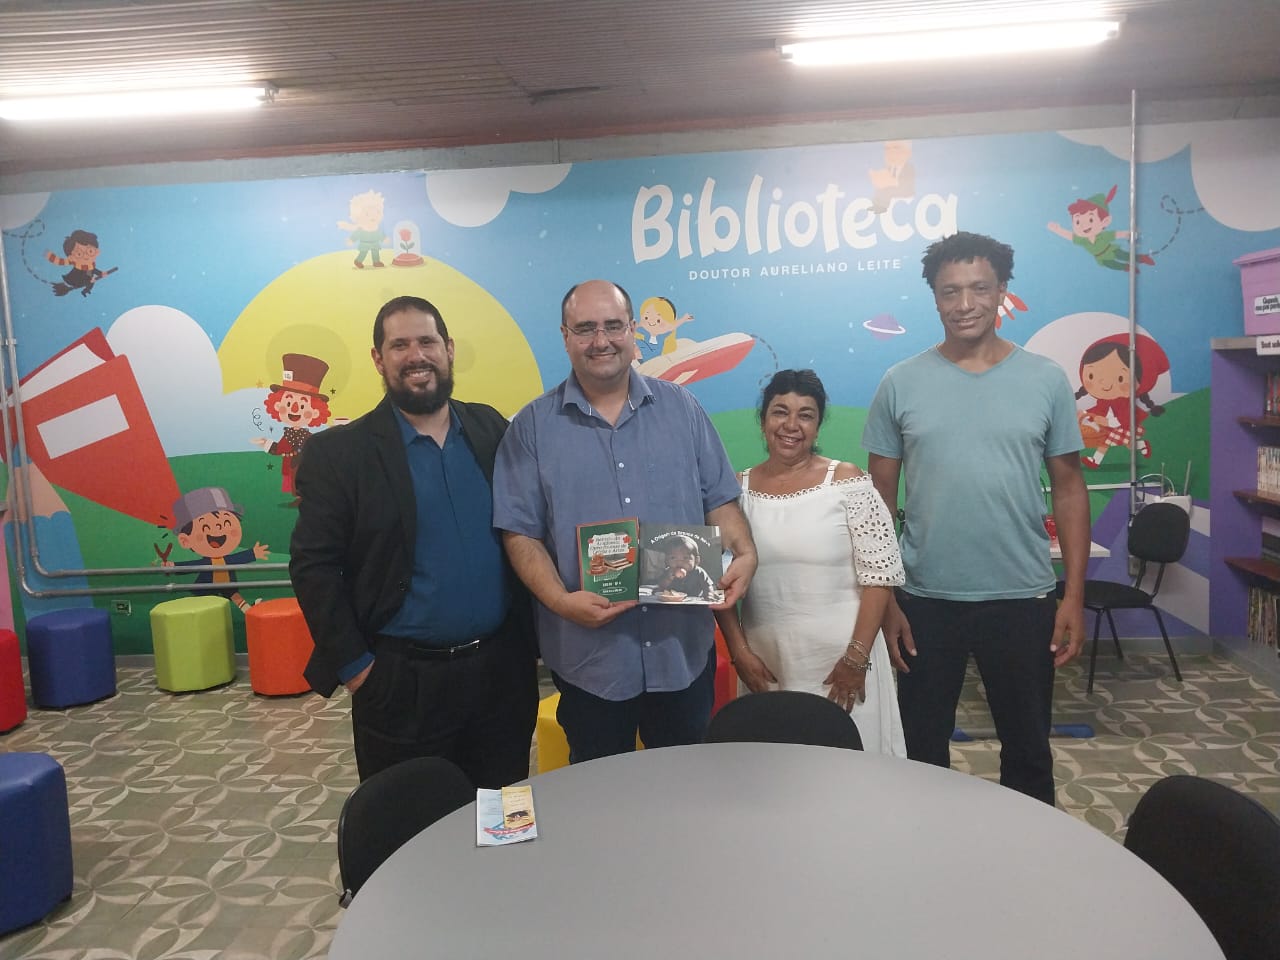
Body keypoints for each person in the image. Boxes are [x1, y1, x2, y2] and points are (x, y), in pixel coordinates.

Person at [862, 231, 1090, 804]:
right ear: (935, 298)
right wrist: (886, 599)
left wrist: (1073, 596)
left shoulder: (1044, 380)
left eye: (979, 289)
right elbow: (877, 504)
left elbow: (1068, 488)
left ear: (1002, 293)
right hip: (923, 602)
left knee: (1029, 753)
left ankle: (1026, 867)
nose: (965, 304)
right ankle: (927, 862)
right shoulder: (901, 382)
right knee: (920, 752)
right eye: (950, 291)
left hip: (1023, 597)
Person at [493, 279, 756, 763]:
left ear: (633, 330)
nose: (601, 340)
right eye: (586, 328)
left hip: (681, 653)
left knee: (683, 792)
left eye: (614, 326)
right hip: (589, 660)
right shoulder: (530, 428)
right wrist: (559, 601)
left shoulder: (684, 409)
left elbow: (719, 499)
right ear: (565, 335)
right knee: (601, 801)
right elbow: (519, 531)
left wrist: (744, 552)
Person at [290, 294, 538, 786]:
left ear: (447, 349)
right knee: (409, 829)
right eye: (398, 345)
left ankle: (497, 867)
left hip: (501, 676)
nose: (415, 355)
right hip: (400, 685)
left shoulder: (491, 429)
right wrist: (359, 669)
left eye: (427, 341)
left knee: (503, 818)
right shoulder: (340, 454)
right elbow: (312, 567)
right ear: (378, 359)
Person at [713, 369, 907, 756]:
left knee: (851, 775)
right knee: (775, 778)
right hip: (767, 664)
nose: (791, 425)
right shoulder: (737, 491)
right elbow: (719, 581)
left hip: (843, 664)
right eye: (779, 412)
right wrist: (740, 653)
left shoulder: (847, 481)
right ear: (763, 420)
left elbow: (879, 577)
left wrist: (856, 658)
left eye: (806, 414)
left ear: (818, 426)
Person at [647, 535, 718, 601]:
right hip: (673, 598)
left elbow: (707, 585)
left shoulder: (699, 572)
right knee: (657, 591)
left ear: (696, 560)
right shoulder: (668, 571)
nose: (679, 562)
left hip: (693, 598)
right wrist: (668, 579)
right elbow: (662, 585)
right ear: (666, 561)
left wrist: (709, 593)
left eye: (685, 558)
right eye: (673, 558)